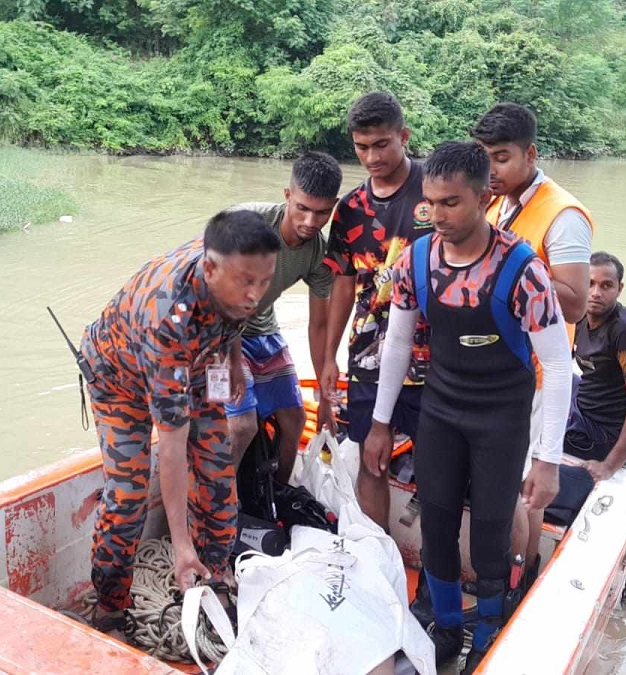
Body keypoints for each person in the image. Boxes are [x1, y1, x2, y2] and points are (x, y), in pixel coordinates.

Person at [364, 142, 570, 669]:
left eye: (452, 203)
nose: (438, 216)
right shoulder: (416, 259)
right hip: (441, 409)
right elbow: (398, 342)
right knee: (435, 523)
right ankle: (448, 630)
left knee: (490, 535)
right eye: (431, 202)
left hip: (501, 417)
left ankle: (488, 631)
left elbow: (559, 364)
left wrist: (547, 459)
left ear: (484, 196)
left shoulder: (523, 270)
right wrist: (381, 423)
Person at [78, 211, 281, 633]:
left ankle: (214, 574)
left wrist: (235, 364)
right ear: (209, 269)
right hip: (121, 380)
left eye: (264, 283)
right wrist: (181, 545)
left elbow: (231, 320)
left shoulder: (236, 271)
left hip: (192, 368)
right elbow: (170, 451)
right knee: (128, 496)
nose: (255, 295)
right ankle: (111, 607)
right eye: (248, 282)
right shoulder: (167, 317)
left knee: (217, 472)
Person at [472, 102, 594, 575]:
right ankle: (511, 573)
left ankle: (518, 575)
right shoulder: (499, 203)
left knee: (524, 484)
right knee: (502, 482)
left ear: (530, 154)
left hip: (537, 374)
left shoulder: (562, 215)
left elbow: (575, 302)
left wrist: (508, 270)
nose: (490, 168)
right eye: (483, 156)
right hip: (495, 370)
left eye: (500, 157)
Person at [321, 91, 433, 529]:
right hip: (369, 354)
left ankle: (432, 563)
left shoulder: (436, 191)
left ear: (404, 136)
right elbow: (343, 287)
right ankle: (377, 551)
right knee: (371, 459)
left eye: (382, 144)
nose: (371, 156)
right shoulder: (348, 210)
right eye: (361, 147)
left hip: (433, 355)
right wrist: (329, 356)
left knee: (438, 463)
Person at [225, 152, 342, 482]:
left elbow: (318, 325)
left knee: (294, 419)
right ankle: (215, 516)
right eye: (302, 208)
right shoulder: (247, 225)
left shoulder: (319, 253)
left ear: (332, 207)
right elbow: (222, 305)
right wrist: (233, 365)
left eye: (321, 213)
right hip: (219, 330)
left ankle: (278, 497)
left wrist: (325, 396)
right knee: (241, 424)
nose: (309, 222)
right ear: (288, 195)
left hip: (262, 328)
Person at [568, 251, 626, 480]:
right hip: (585, 402)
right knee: (540, 383)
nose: (596, 293)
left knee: (532, 424)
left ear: (620, 289)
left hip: (604, 433)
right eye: (589, 283)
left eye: (606, 285)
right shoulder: (579, 316)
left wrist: (608, 467)